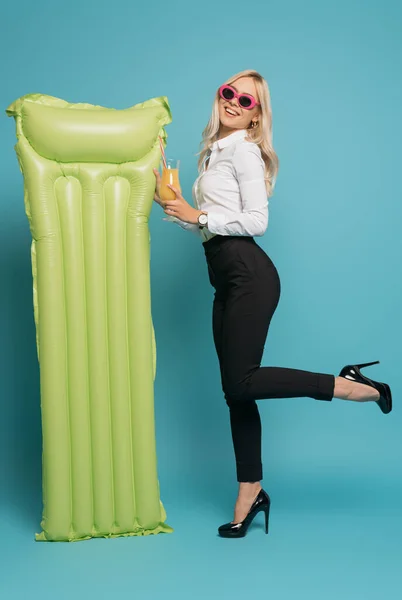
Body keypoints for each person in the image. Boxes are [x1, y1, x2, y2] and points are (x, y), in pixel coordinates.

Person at [153, 69, 392, 539]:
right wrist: (182, 209)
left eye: (246, 100)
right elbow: (210, 225)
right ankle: (250, 490)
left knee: (242, 382)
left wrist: (198, 213)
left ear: (256, 112)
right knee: (234, 390)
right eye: (228, 93)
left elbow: (256, 221)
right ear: (218, 97)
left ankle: (351, 385)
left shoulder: (243, 151)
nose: (234, 103)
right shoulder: (214, 152)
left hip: (249, 276)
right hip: (224, 276)